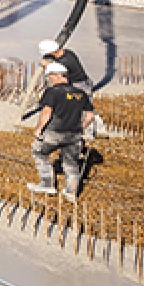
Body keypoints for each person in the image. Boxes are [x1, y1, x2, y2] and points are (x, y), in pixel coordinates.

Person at [27, 63, 95, 199]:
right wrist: (81, 128)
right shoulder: (81, 93)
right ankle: (71, 192)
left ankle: (47, 184)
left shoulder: (53, 92)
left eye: (50, 76)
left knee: (39, 152)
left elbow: (47, 112)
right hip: (74, 135)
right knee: (71, 163)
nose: (49, 79)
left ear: (57, 75)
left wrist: (39, 129)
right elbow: (90, 116)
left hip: (54, 133)